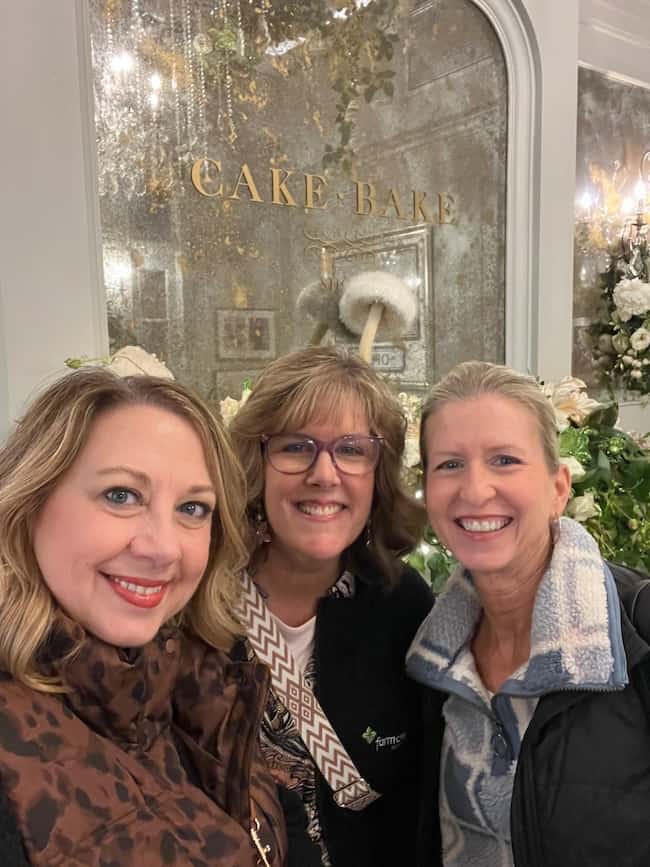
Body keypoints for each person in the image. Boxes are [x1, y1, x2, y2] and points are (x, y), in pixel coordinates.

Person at [0, 368, 288, 867]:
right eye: (121, 496)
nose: (162, 548)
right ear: (31, 501)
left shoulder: (201, 681)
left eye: (193, 508)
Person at [407, 360, 650, 867]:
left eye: (505, 461)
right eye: (450, 464)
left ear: (558, 488)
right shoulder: (430, 660)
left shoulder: (637, 634)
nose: (475, 490)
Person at [229, 346, 440, 867]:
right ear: (258, 464)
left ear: (378, 473)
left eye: (351, 449)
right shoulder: (196, 602)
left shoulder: (404, 607)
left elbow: (420, 806)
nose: (324, 474)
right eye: (296, 446)